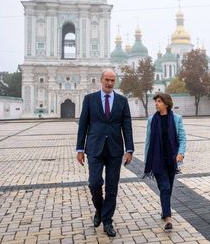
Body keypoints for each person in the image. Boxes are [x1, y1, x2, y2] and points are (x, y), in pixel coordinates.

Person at [76, 69, 134, 237]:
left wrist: (129, 149)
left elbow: (127, 126)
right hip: (94, 148)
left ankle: (107, 221)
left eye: (112, 80)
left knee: (111, 187)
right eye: (107, 79)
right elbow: (83, 125)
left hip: (115, 150)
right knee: (94, 183)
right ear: (101, 80)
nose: (109, 83)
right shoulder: (90, 99)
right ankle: (100, 210)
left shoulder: (122, 101)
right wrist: (80, 149)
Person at [144, 93, 186, 230]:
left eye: (159, 101)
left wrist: (181, 153)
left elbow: (182, 137)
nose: (156, 104)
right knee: (165, 187)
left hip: (171, 159)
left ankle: (164, 210)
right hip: (157, 159)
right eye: (156, 101)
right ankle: (168, 218)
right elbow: (149, 140)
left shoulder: (176, 118)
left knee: (168, 188)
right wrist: (147, 160)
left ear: (166, 104)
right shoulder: (152, 120)